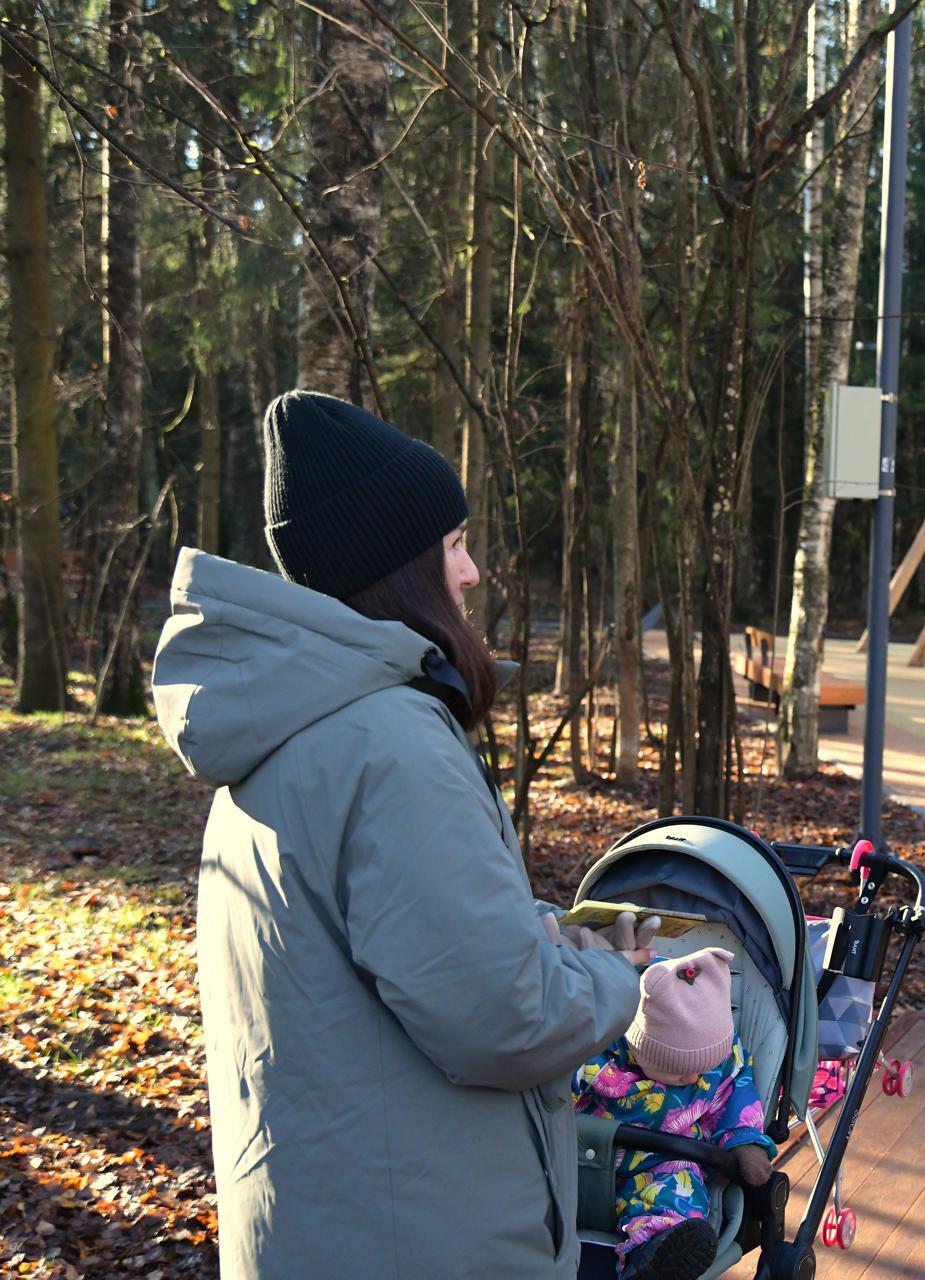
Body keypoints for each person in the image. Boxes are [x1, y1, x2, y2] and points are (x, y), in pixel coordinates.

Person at [152, 391, 647, 1279]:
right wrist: (611, 971)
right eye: (453, 546)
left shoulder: (280, 727)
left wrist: (530, 929)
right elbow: (507, 1020)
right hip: (424, 1240)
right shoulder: (389, 744)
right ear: (399, 570)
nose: (474, 573)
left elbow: (361, 956)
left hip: (320, 1229)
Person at [573, 946, 778, 1280]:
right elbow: (554, 1082)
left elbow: (734, 1093)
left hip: (661, 1162)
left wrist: (744, 1140)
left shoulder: (719, 1054)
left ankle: (655, 1254)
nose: (693, 1079)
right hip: (582, 1160)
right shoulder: (599, 1048)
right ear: (638, 1046)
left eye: (702, 1069)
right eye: (679, 1073)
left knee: (680, 1189)